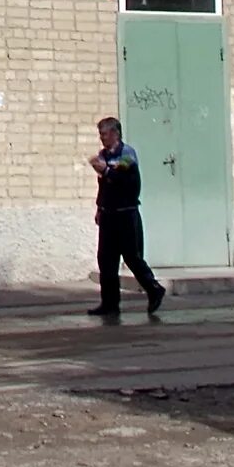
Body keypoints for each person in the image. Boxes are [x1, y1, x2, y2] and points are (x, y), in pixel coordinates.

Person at [86, 116, 166, 318]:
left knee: (132, 257)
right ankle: (109, 303)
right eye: (100, 135)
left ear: (115, 133)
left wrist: (105, 170)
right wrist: (99, 208)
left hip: (126, 214)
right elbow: (104, 186)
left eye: (105, 134)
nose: (102, 139)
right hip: (108, 214)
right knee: (106, 260)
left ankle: (154, 288)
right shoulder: (103, 155)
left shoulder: (127, 154)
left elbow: (121, 177)